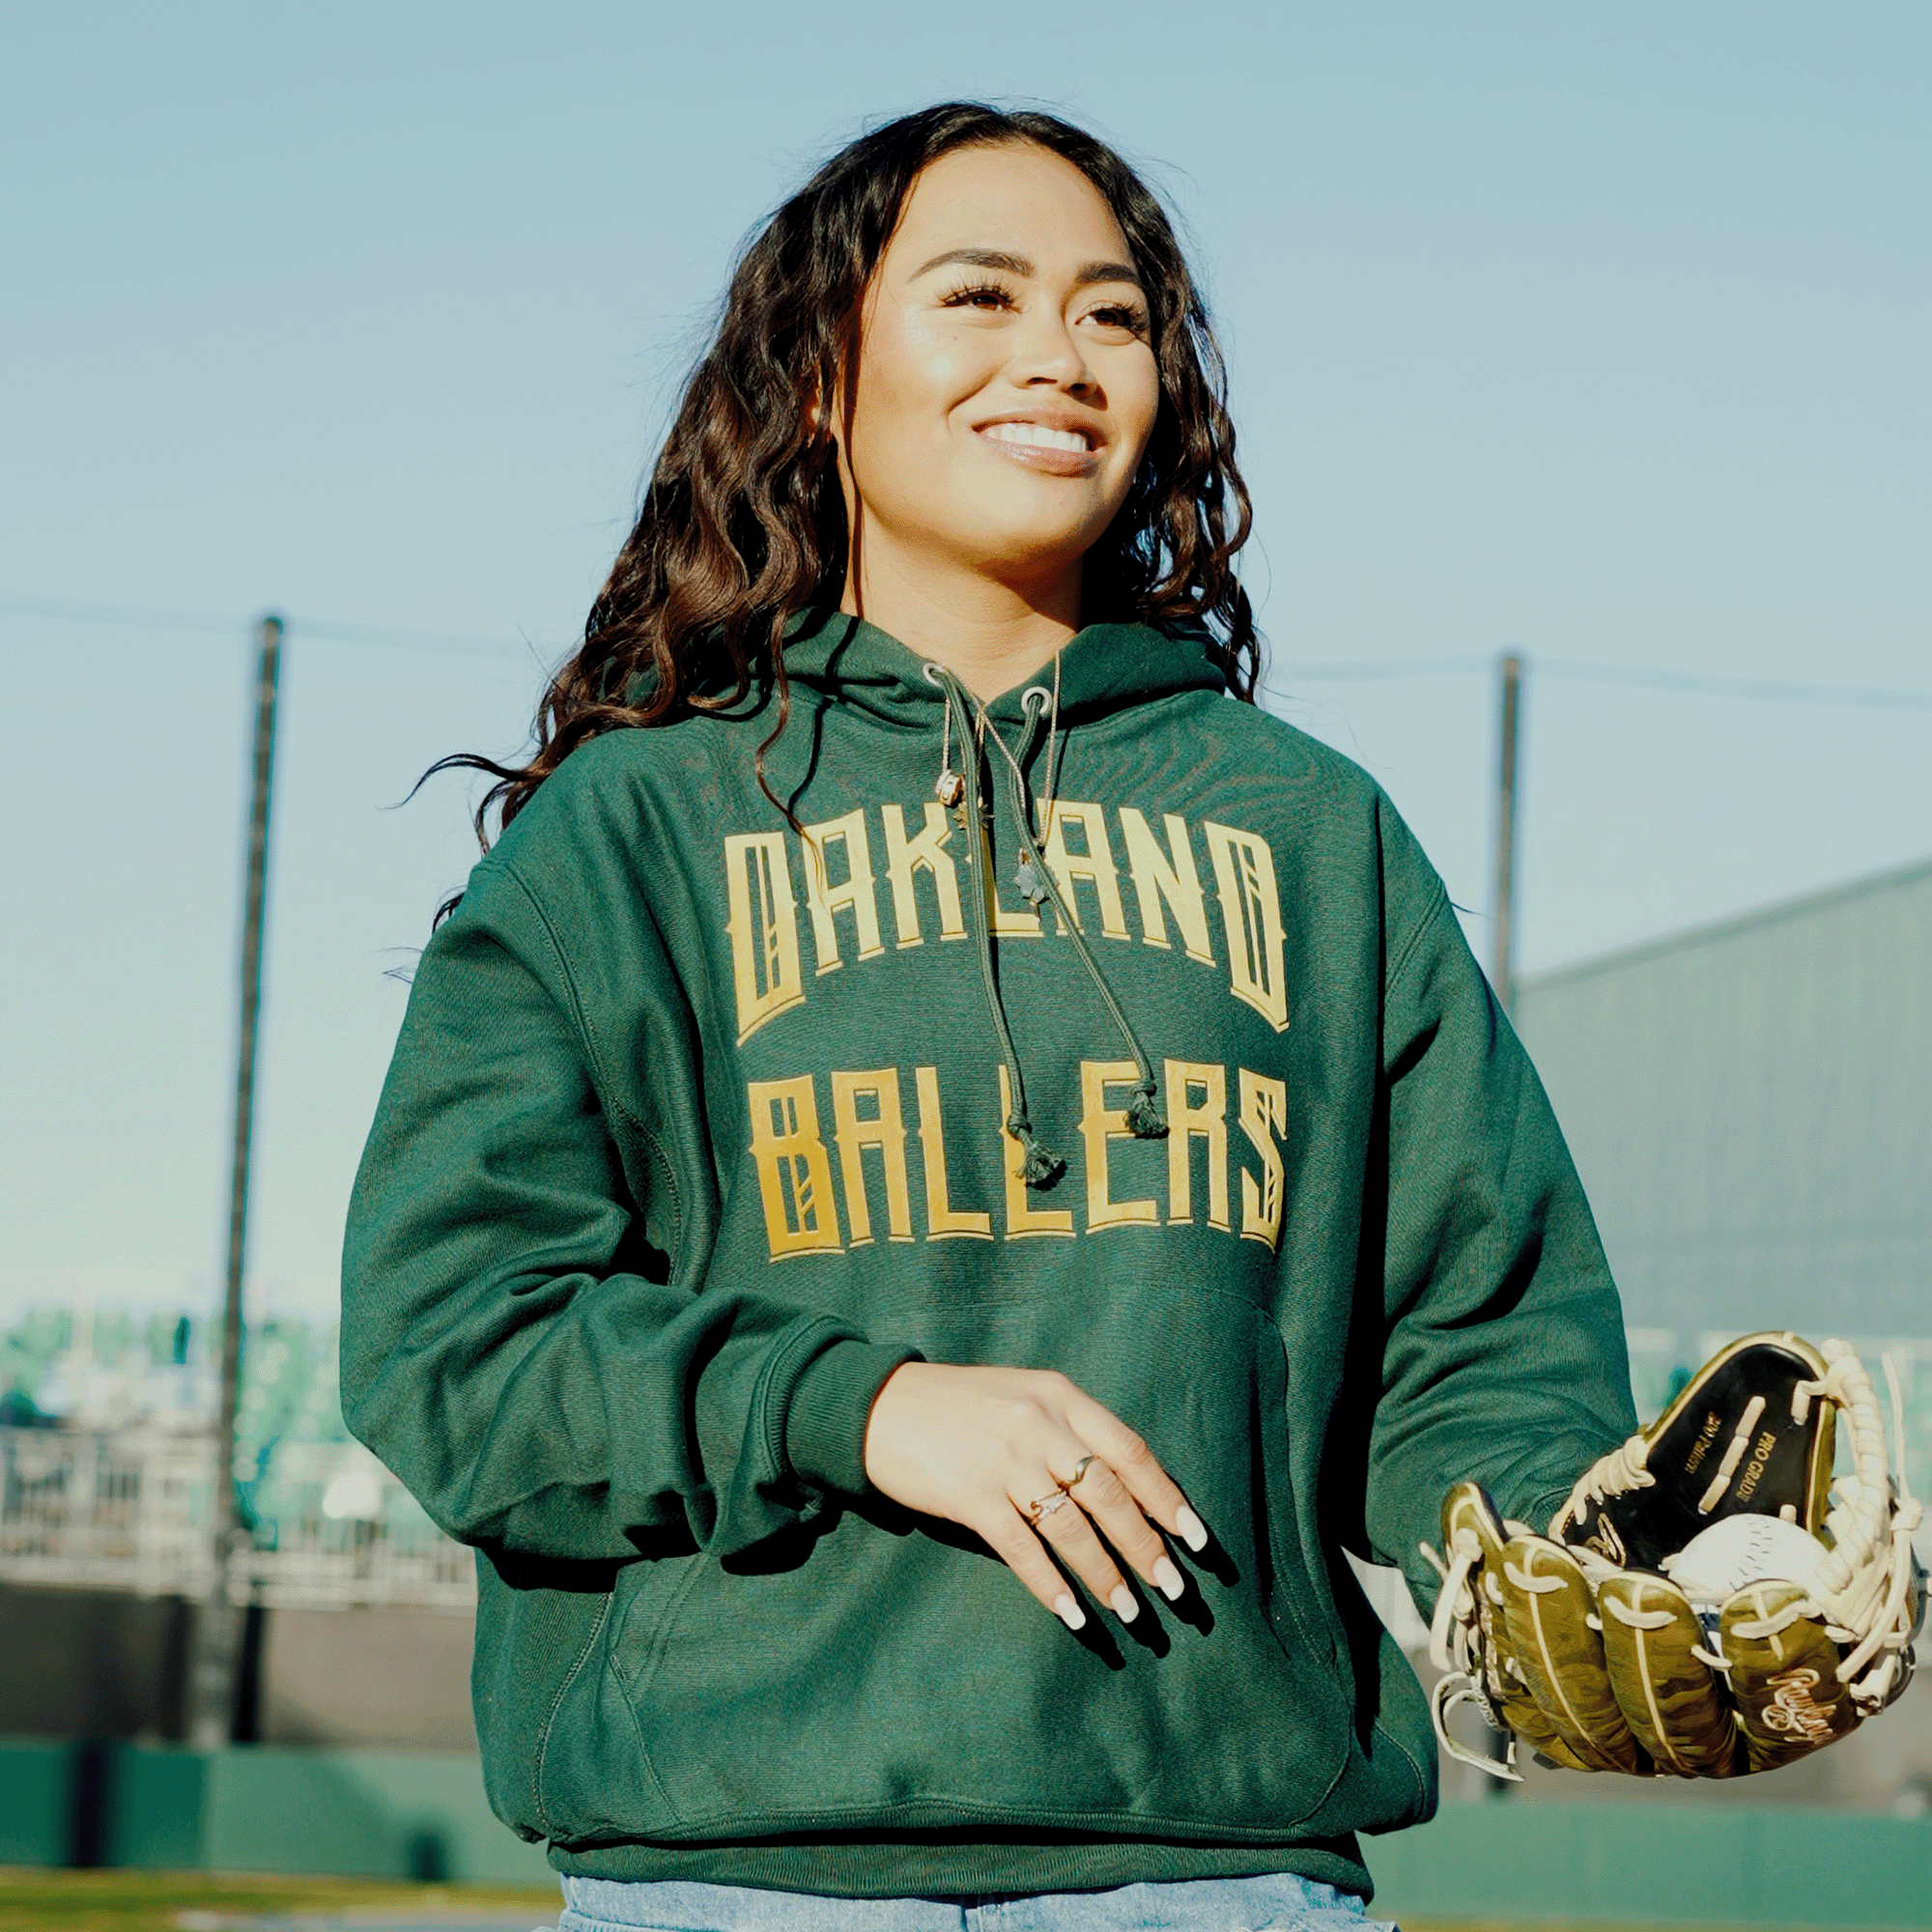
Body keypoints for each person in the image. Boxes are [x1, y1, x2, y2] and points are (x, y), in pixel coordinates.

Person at [341, 102, 1634, 1932]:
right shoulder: (634, 832)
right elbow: (449, 1343)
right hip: (732, 1879)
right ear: (816, 382)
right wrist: (862, 1411)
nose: (1062, 356)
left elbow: (1478, 1339)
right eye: (980, 295)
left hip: (1220, 1878)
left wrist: (1599, 1558)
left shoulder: (1306, 828)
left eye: (1116, 317)